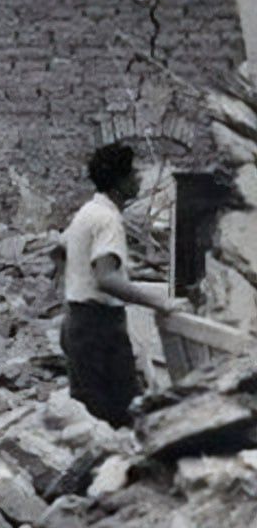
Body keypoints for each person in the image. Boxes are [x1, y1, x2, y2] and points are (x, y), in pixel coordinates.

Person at [56, 143, 190, 427]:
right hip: (100, 329)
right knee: (122, 416)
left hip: (77, 322)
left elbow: (58, 249)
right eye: (132, 173)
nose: (139, 178)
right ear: (119, 182)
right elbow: (107, 279)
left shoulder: (88, 211)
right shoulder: (108, 220)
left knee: (89, 416)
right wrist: (161, 302)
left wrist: (69, 289)